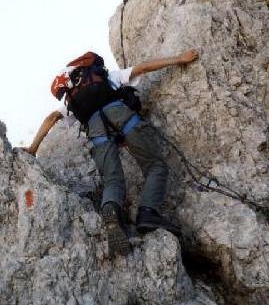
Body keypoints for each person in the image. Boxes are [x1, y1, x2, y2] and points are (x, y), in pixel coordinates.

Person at [23, 49, 199, 257]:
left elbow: (52, 117)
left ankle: (111, 213)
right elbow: (144, 67)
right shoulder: (109, 78)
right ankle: (147, 213)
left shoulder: (74, 101)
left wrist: (33, 149)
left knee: (113, 180)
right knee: (155, 166)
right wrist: (179, 58)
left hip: (96, 130)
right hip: (123, 117)